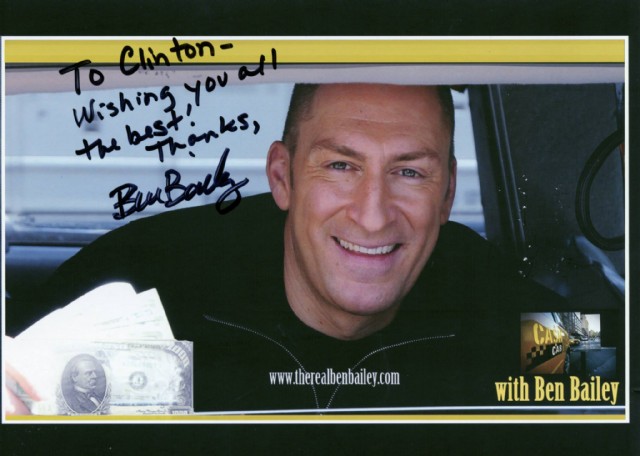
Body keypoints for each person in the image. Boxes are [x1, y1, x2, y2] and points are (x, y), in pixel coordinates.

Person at [6, 83, 565, 413]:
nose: (372, 215)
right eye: (340, 166)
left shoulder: (494, 298)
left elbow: (598, 379)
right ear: (282, 177)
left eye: (410, 172)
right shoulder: (142, 281)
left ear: (446, 193)